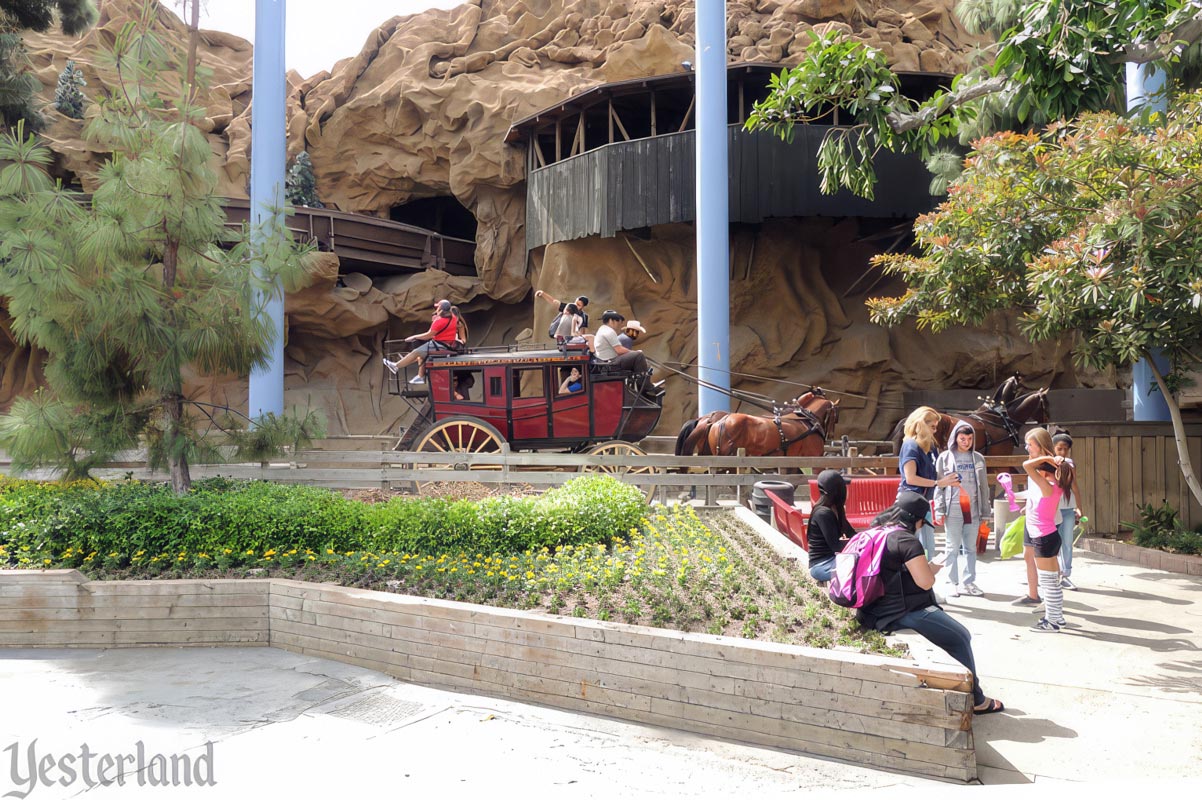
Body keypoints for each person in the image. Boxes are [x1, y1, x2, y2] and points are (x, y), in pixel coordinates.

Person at [857, 491, 1004, 715]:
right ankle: (975, 699)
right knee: (960, 637)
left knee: (951, 636)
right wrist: (932, 570)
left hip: (871, 608)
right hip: (899, 612)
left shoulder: (877, 531)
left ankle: (959, 688)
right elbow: (925, 583)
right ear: (915, 519)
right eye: (921, 522)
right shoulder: (906, 541)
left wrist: (927, 567)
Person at [1023, 433, 1076, 632]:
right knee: (1052, 582)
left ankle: (1052, 622)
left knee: (1049, 583)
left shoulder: (1047, 486)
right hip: (1048, 536)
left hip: (1043, 538)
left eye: (1042, 471)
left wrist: (1046, 458)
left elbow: (1027, 466)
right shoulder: (1053, 485)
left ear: (1048, 473)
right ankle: (1058, 618)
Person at [934, 421, 989, 598]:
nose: (966, 442)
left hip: (973, 509)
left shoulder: (979, 458)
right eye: (962, 438)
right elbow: (939, 485)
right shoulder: (945, 457)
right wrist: (940, 509)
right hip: (953, 509)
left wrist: (986, 512)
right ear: (955, 438)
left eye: (970, 438)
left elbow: (984, 487)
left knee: (971, 547)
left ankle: (969, 582)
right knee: (952, 547)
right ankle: (952, 582)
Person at [898, 406, 961, 557]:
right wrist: (939, 483)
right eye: (932, 427)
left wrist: (948, 480)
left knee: (928, 548)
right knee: (915, 548)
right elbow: (910, 478)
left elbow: (935, 475)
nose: (934, 431)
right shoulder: (910, 446)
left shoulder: (930, 447)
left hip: (924, 501)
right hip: (910, 502)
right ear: (921, 424)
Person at [1012, 427, 1056, 609]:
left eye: (1030, 445)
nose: (1028, 449)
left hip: (1045, 522)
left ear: (1041, 446)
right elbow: (1035, 492)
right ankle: (1033, 594)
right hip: (1031, 518)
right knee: (1028, 555)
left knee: (1047, 561)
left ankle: (1049, 598)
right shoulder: (1033, 464)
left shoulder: (1049, 468)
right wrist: (1018, 497)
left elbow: (1049, 494)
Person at [382, 299, 458, 384]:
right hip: (448, 345)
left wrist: (414, 336)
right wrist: (436, 319)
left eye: (437, 307)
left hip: (439, 345)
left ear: (440, 309)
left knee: (416, 352)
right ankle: (419, 376)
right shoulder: (453, 318)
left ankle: (396, 366)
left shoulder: (439, 321)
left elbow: (428, 335)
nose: (435, 309)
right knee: (420, 355)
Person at [806, 469, 854, 582]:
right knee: (862, 567)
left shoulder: (836, 509)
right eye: (844, 487)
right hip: (820, 566)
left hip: (832, 559)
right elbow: (836, 546)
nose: (847, 491)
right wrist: (859, 543)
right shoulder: (823, 513)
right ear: (837, 491)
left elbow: (851, 533)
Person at [1052, 432, 1084, 589]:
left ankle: (1065, 575)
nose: (1063, 452)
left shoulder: (1069, 464)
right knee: (1053, 543)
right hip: (1052, 510)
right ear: (1053, 448)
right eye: (1059, 449)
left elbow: (1075, 486)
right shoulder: (1048, 463)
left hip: (1068, 509)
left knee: (1067, 543)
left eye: (1066, 449)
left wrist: (1079, 507)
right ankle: (1052, 574)